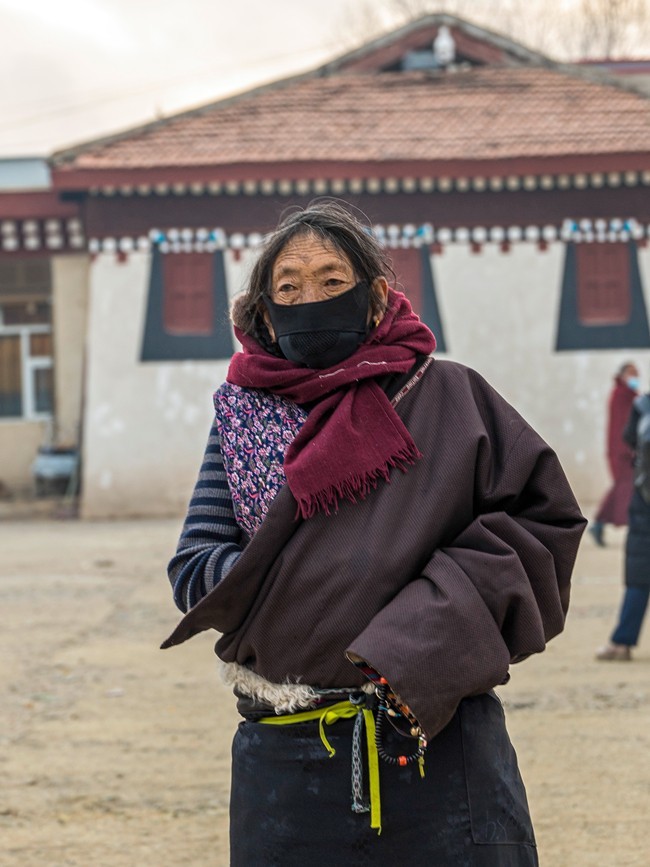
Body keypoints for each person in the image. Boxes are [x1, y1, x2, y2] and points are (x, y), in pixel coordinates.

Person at [162, 202, 586, 865]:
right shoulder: (241, 420)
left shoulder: (449, 398)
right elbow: (195, 566)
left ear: (377, 297)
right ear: (265, 315)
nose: (311, 300)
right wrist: (304, 587)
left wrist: (415, 632)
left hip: (436, 743)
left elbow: (542, 521)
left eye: (333, 281)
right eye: (289, 288)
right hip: (286, 765)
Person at [597, 386, 650, 661]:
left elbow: (628, 437)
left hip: (645, 500)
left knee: (639, 577)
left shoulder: (643, 405)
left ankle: (622, 643)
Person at [588, 362, 640, 546]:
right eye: (632, 373)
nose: (635, 377)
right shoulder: (620, 395)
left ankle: (599, 524)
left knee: (623, 487)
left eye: (636, 374)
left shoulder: (630, 395)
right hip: (622, 452)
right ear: (623, 375)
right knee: (624, 486)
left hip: (627, 451)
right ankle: (601, 524)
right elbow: (622, 426)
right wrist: (629, 448)